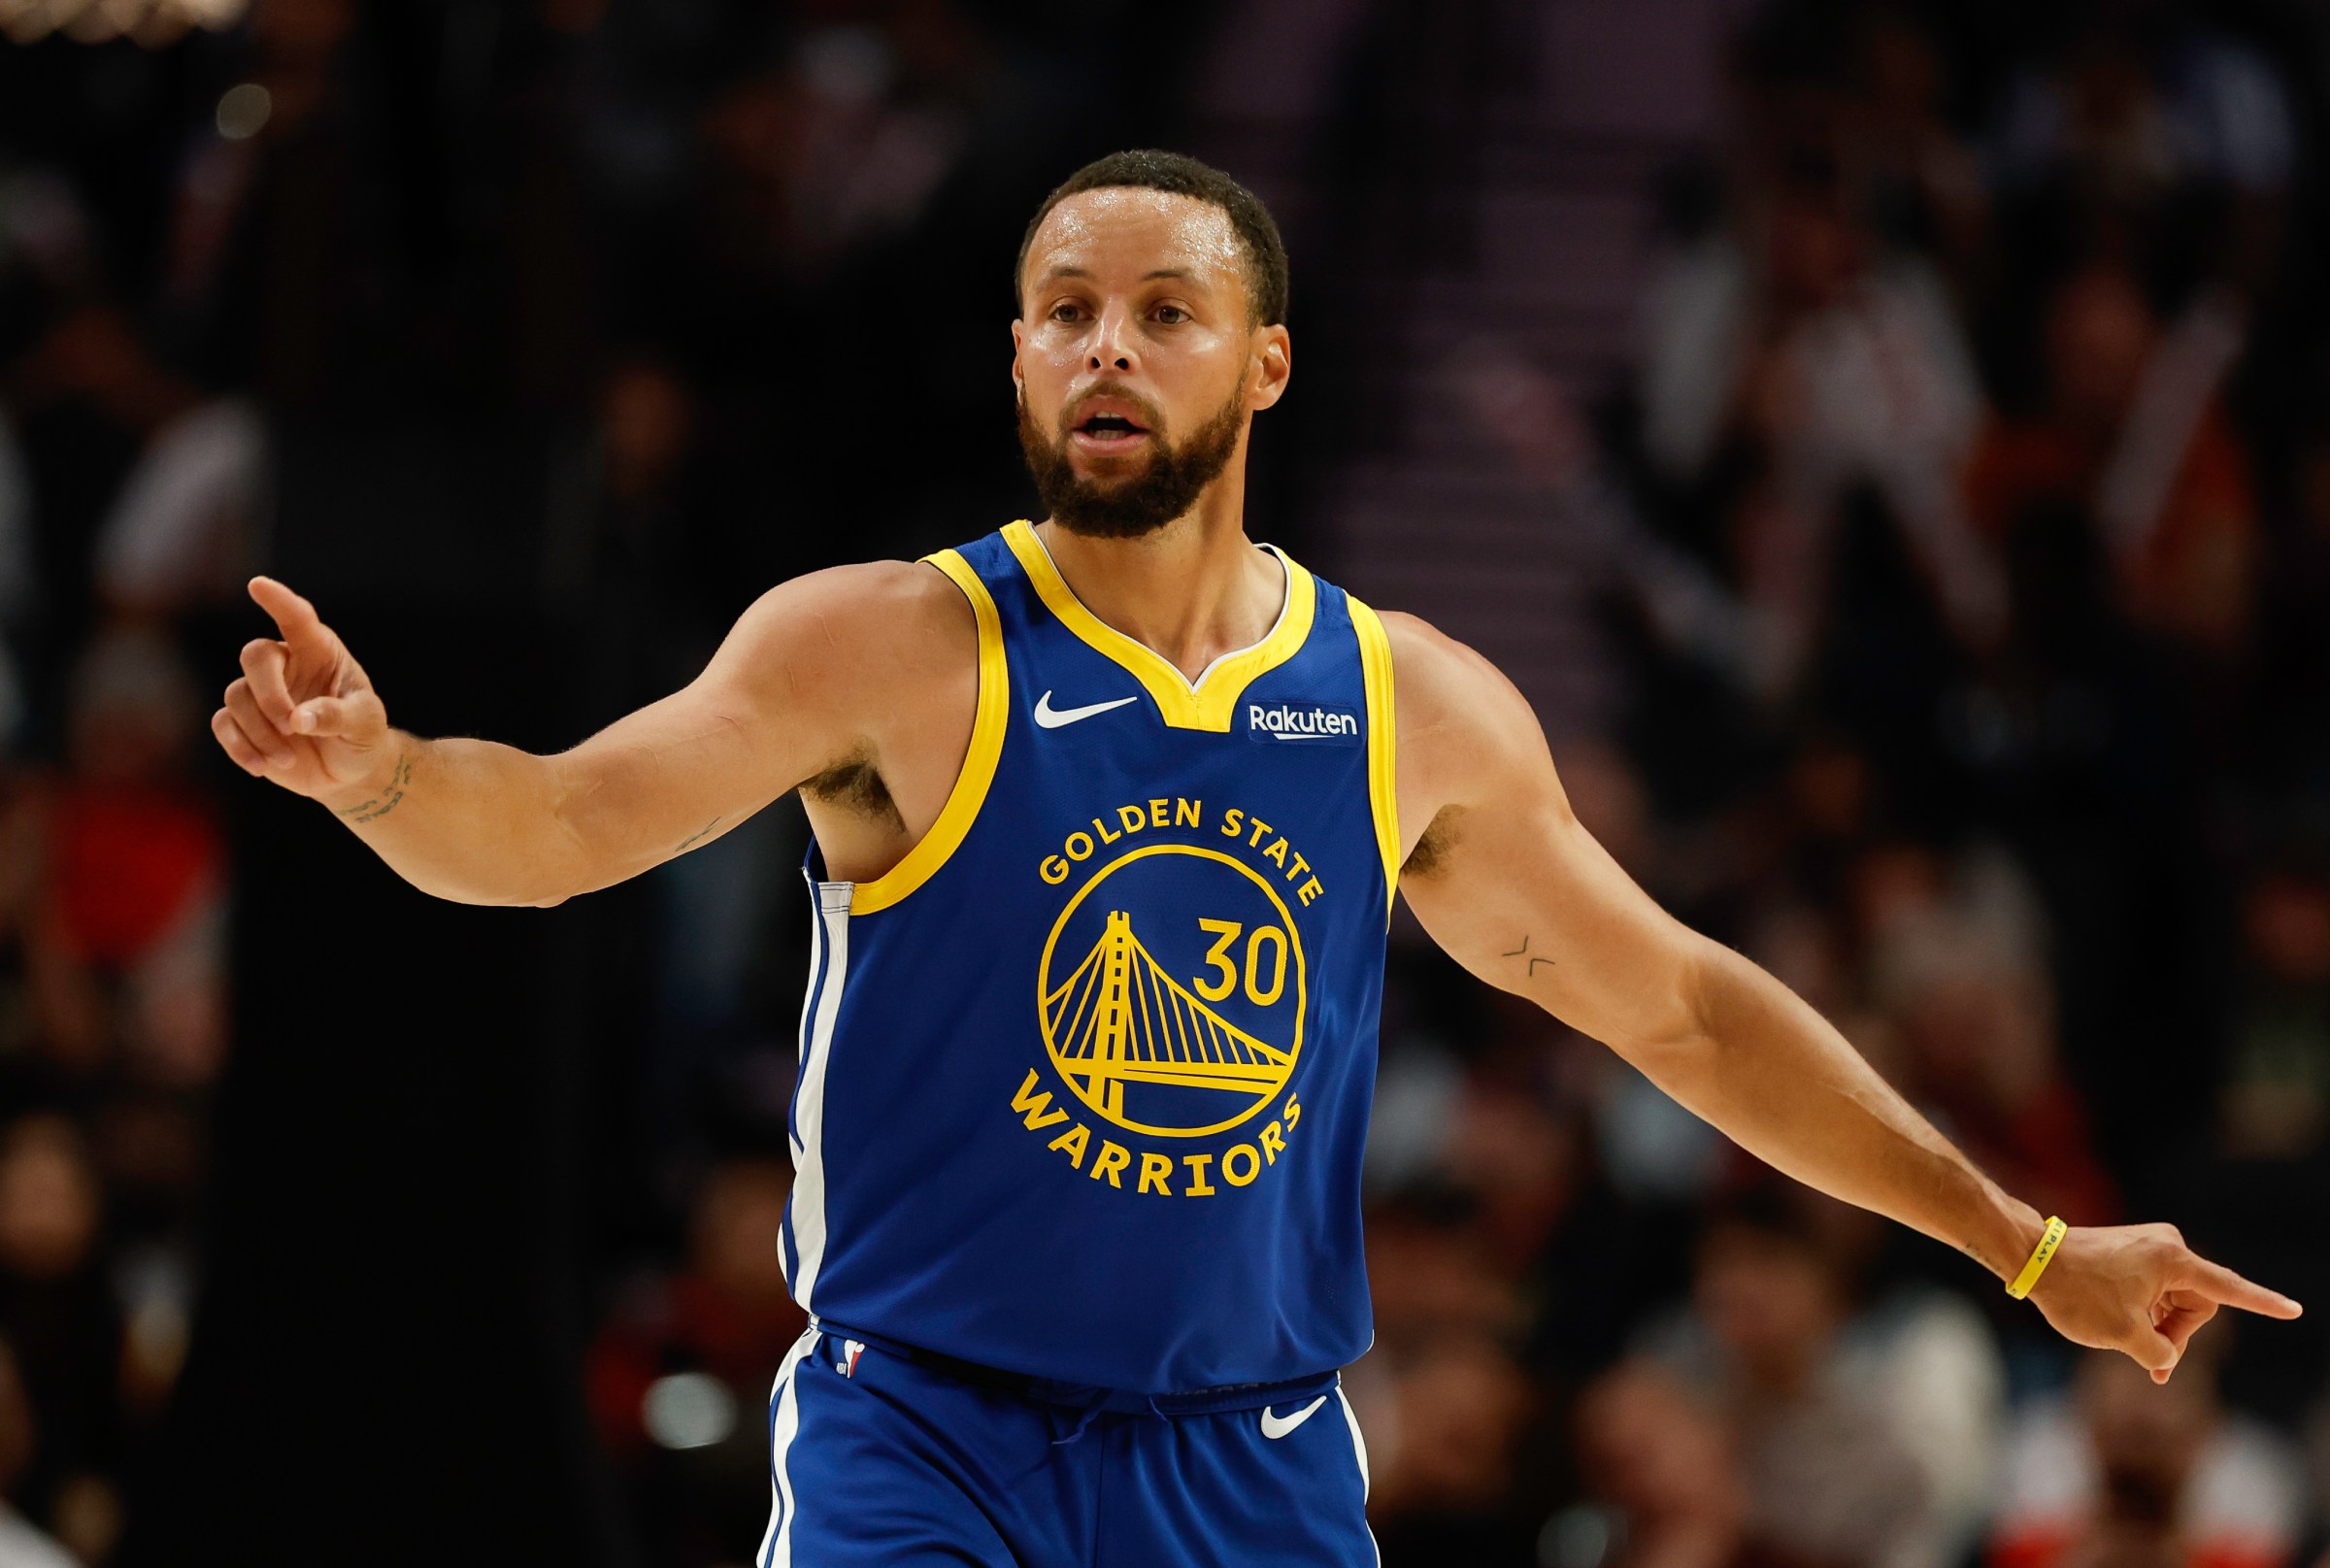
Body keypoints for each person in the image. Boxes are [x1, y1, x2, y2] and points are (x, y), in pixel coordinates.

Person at [207, 150, 2300, 1567]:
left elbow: (1679, 1008)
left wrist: (2035, 1249)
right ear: (1018, 359)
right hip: (920, 1439)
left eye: (1163, 312)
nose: (1107, 347)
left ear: (1264, 363)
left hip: (1251, 1456)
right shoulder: (888, 643)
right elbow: (566, 829)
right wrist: (387, 775)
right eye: (1064, 312)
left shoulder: (1408, 706)